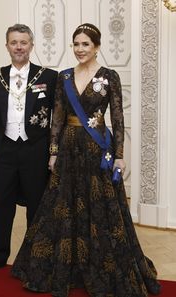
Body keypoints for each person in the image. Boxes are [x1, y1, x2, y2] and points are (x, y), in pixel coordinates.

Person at [11, 23, 161, 296]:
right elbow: (56, 117)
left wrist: (119, 156)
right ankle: (68, 266)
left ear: (97, 47)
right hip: (68, 149)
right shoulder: (64, 77)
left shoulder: (109, 76)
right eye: (76, 44)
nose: (80, 50)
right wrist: (53, 152)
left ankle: (99, 265)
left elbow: (117, 118)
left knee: (100, 210)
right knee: (63, 206)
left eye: (86, 45)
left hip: (97, 149)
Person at [0, 24, 58, 276]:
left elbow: (56, 116)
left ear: (31, 45)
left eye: (23, 42)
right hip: (6, 151)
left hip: (35, 150)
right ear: (7, 46)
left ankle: (33, 258)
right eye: (14, 42)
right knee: (1, 204)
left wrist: (51, 150)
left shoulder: (48, 76)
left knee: (36, 206)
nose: (19, 47)